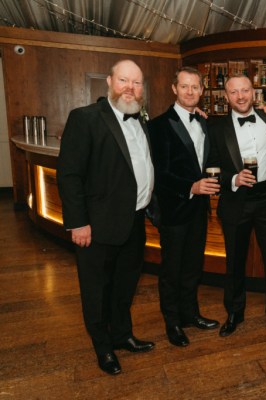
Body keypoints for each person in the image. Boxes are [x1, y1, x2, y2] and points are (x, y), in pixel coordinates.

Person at [57, 60, 155, 375]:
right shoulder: (85, 118)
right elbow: (69, 175)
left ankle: (122, 334)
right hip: (96, 226)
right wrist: (78, 222)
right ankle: (103, 347)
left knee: (125, 286)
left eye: (136, 83)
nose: (130, 87)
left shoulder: (142, 121)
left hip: (135, 222)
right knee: (96, 290)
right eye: (124, 80)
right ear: (109, 82)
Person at [207, 73, 266, 337]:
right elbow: (211, 166)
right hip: (235, 199)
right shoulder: (216, 127)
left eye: (245, 90)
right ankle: (234, 311)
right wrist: (232, 178)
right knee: (235, 261)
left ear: (254, 92)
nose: (240, 96)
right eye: (234, 92)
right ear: (226, 96)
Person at [148, 66, 220, 348]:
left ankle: (191, 314)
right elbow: (159, 172)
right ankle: (172, 321)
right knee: (172, 270)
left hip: (199, 211)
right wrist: (191, 187)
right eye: (184, 86)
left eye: (195, 87)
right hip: (174, 209)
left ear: (202, 91)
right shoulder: (157, 125)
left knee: (192, 266)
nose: (190, 92)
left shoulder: (204, 122)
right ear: (174, 89)